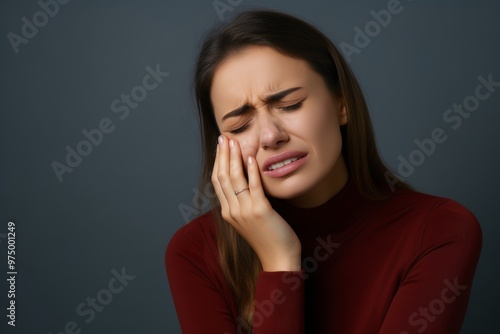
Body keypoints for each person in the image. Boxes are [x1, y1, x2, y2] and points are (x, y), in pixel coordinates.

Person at [165, 10, 482, 334]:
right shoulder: (196, 253)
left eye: (290, 105)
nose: (270, 136)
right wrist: (279, 261)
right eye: (241, 125)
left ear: (341, 103)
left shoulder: (438, 230)